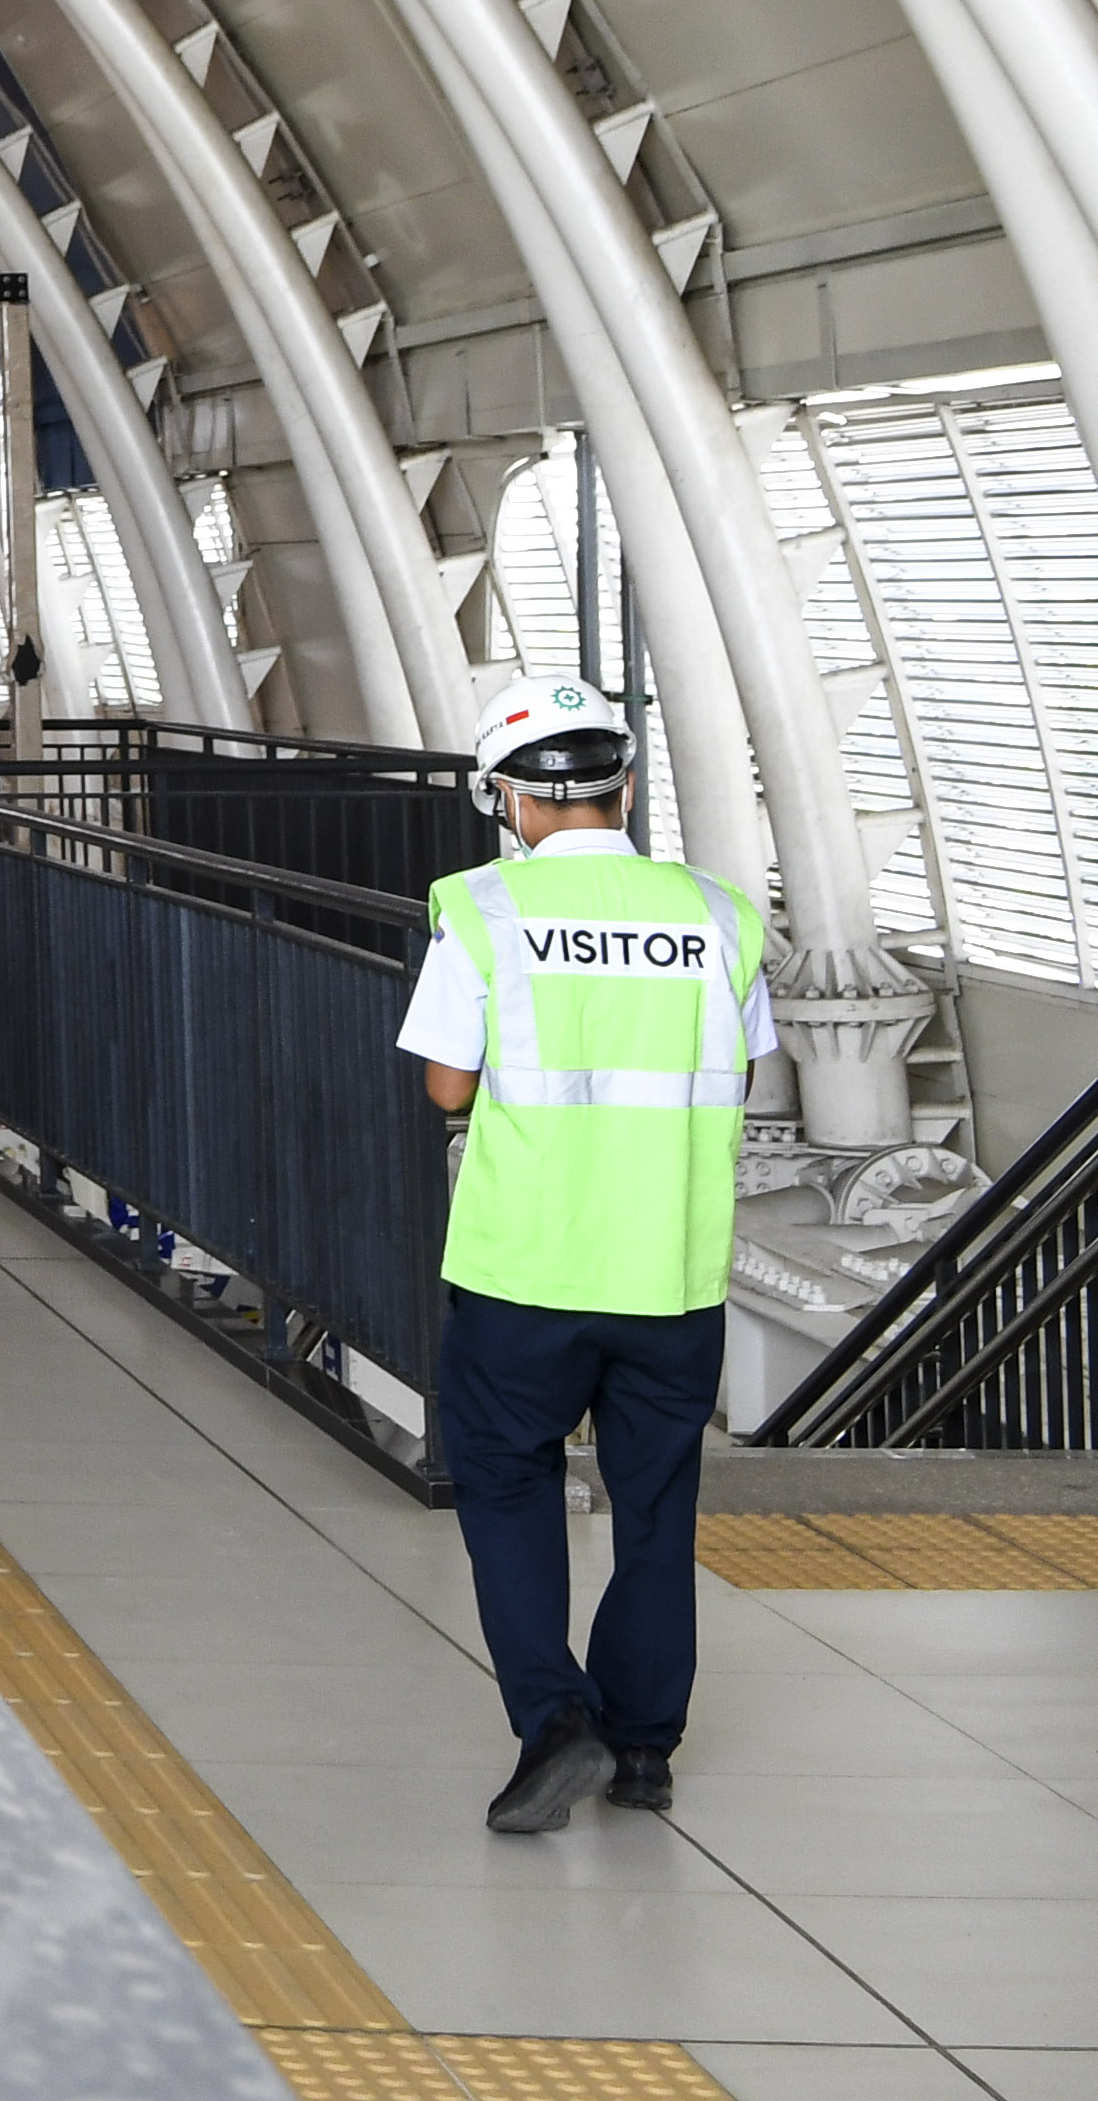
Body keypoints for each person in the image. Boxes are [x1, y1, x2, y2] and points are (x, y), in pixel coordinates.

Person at [400, 671, 775, 1836]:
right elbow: (743, 1074)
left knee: (510, 1487)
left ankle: (556, 1719)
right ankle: (644, 1747)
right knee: (655, 1506)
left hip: (525, 1268)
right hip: (668, 1268)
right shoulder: (718, 913)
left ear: (507, 799)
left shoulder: (479, 910)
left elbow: (446, 1083)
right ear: (621, 786)